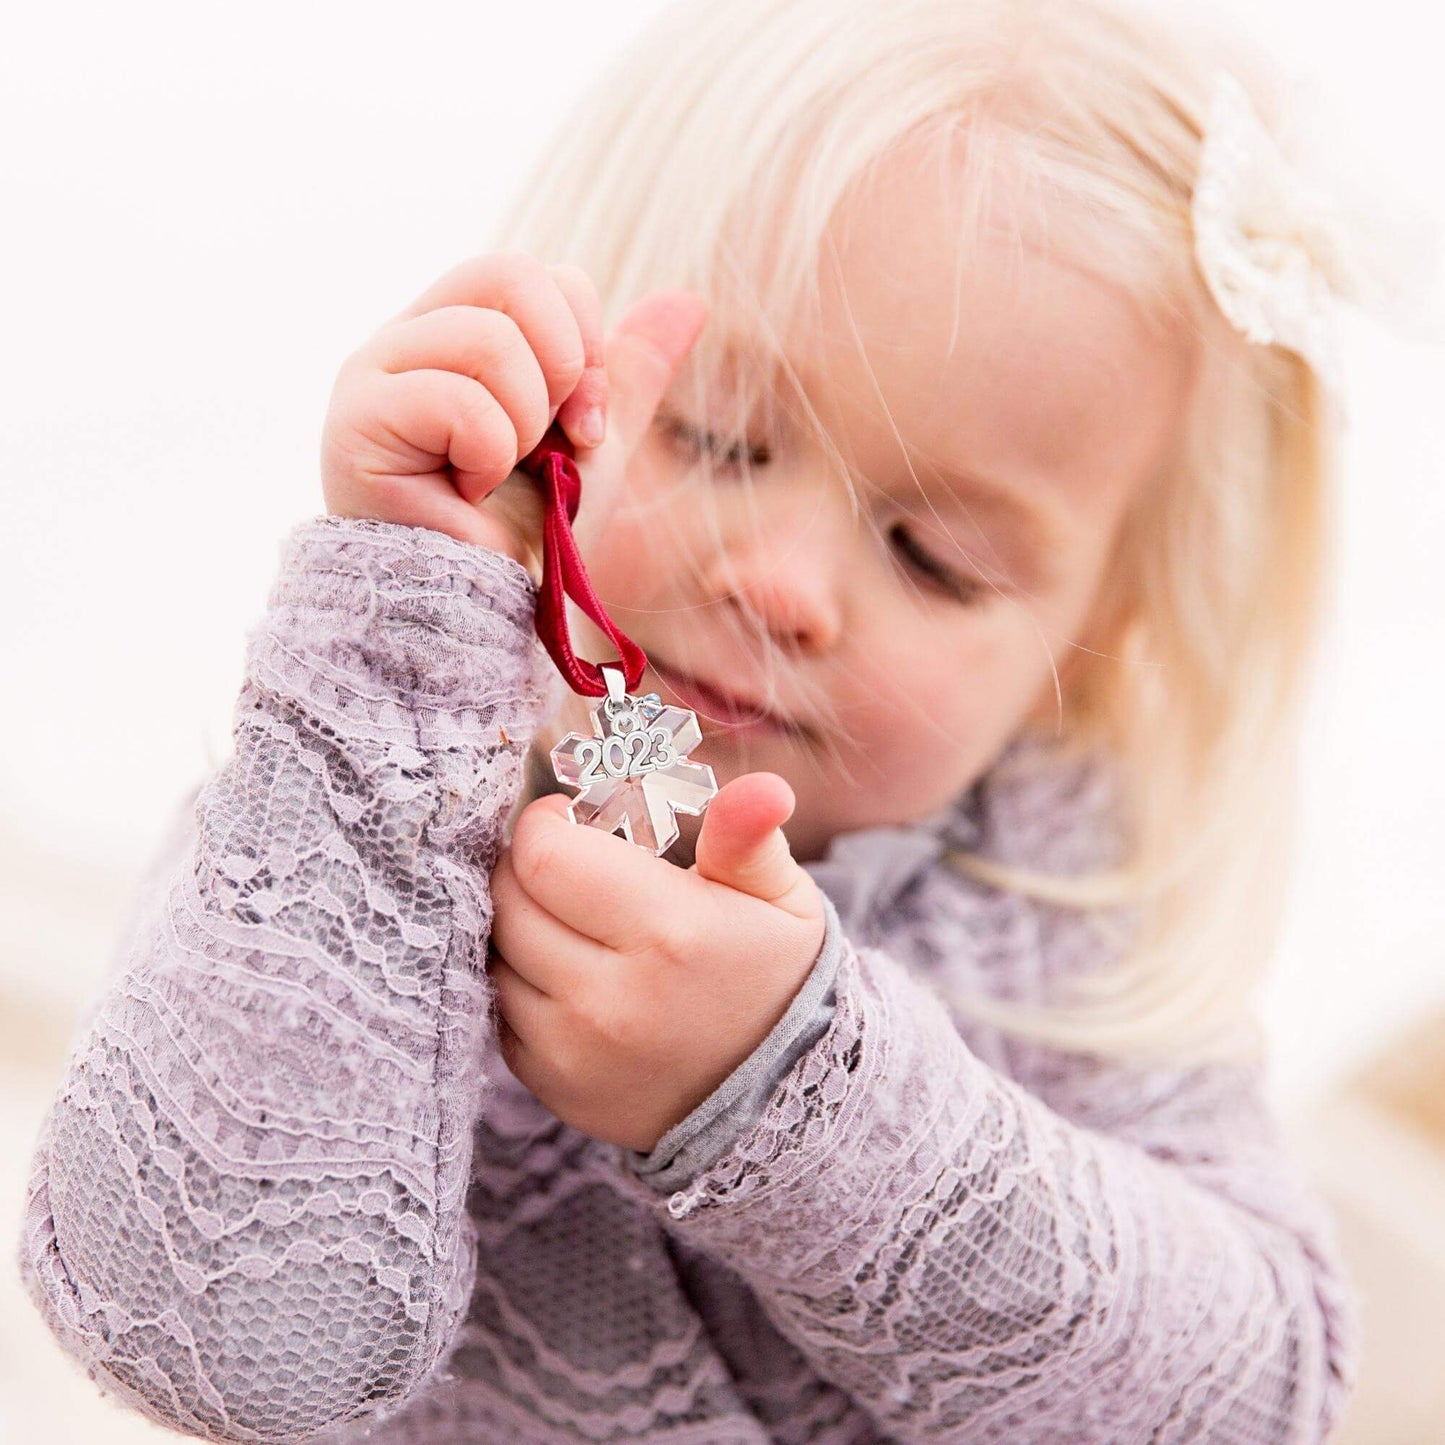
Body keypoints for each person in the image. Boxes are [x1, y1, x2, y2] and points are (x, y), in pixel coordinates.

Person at [17, 0, 1390, 1438]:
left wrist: (792, 1094)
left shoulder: (1058, 911)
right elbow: (202, 1341)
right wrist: (401, 628)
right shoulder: (359, 797)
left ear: (1090, 653)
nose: (783, 583)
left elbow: (1253, 1401)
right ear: (557, 382)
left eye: (936, 556)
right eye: (719, 437)